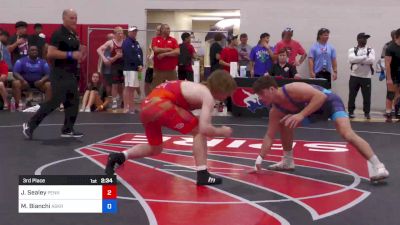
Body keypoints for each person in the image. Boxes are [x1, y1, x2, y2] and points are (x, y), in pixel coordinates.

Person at [105, 70, 237, 185]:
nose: (227, 97)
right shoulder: (207, 95)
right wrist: (221, 131)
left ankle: (118, 157)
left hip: (146, 105)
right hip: (161, 104)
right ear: (220, 90)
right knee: (198, 131)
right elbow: (204, 129)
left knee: (155, 148)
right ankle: (203, 174)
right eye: (227, 94)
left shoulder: (197, 88)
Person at [252, 76, 389, 182]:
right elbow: (269, 136)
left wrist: (300, 115)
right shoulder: (275, 111)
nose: (261, 99)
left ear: (271, 89)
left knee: (346, 133)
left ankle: (379, 166)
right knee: (284, 123)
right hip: (313, 111)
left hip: (329, 103)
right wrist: (259, 159)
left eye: (261, 94)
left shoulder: (292, 89)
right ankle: (288, 161)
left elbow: (321, 96)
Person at [23, 9, 86, 139]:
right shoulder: (58, 33)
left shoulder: (72, 33)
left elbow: (75, 54)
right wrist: (71, 54)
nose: (74, 20)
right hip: (59, 73)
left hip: (71, 73)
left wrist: (80, 51)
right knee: (54, 102)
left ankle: (67, 129)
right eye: (71, 18)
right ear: (64, 19)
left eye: (76, 18)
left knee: (73, 101)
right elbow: (50, 53)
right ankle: (30, 125)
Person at [347, 33, 375, 119]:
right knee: (352, 95)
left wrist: (358, 59)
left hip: (366, 77)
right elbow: (351, 59)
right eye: (363, 38)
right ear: (358, 39)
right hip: (354, 76)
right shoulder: (352, 50)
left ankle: (367, 112)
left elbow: (371, 60)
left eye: (366, 38)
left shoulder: (370, 50)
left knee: (367, 96)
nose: (365, 40)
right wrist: (364, 57)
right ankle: (351, 111)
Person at [97, 27, 124, 110]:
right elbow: (98, 50)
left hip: (123, 66)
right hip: (114, 66)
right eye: (119, 33)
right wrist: (104, 58)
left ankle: (123, 101)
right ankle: (114, 101)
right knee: (114, 85)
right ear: (115, 34)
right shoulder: (110, 42)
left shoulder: (125, 42)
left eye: (122, 32)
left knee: (122, 86)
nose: (120, 34)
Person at [122, 26, 143, 113]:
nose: (134, 33)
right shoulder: (126, 43)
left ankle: (132, 107)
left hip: (137, 69)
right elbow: (129, 56)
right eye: (133, 31)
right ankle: (127, 107)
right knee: (128, 88)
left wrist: (141, 64)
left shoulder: (136, 43)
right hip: (130, 69)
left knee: (133, 88)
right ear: (129, 33)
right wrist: (136, 65)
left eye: (135, 31)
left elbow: (140, 54)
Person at [151, 24, 179, 89]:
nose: (169, 30)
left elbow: (177, 52)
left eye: (169, 28)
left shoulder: (173, 40)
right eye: (167, 28)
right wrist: (168, 49)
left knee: (174, 88)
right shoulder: (155, 39)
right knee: (156, 89)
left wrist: (163, 54)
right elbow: (155, 49)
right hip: (159, 70)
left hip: (171, 71)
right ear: (162, 30)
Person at [384, 28, 400, 122]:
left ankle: (397, 111)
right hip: (392, 75)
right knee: (390, 94)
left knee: (398, 94)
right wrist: (389, 78)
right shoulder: (390, 47)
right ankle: (388, 112)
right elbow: (387, 64)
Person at [145, 25, 161, 95]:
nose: (158, 32)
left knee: (158, 85)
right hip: (150, 66)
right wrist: (148, 56)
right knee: (147, 84)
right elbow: (149, 51)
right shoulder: (153, 40)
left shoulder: (164, 41)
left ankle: (158, 100)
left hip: (159, 68)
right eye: (157, 30)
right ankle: (148, 100)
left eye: (160, 30)